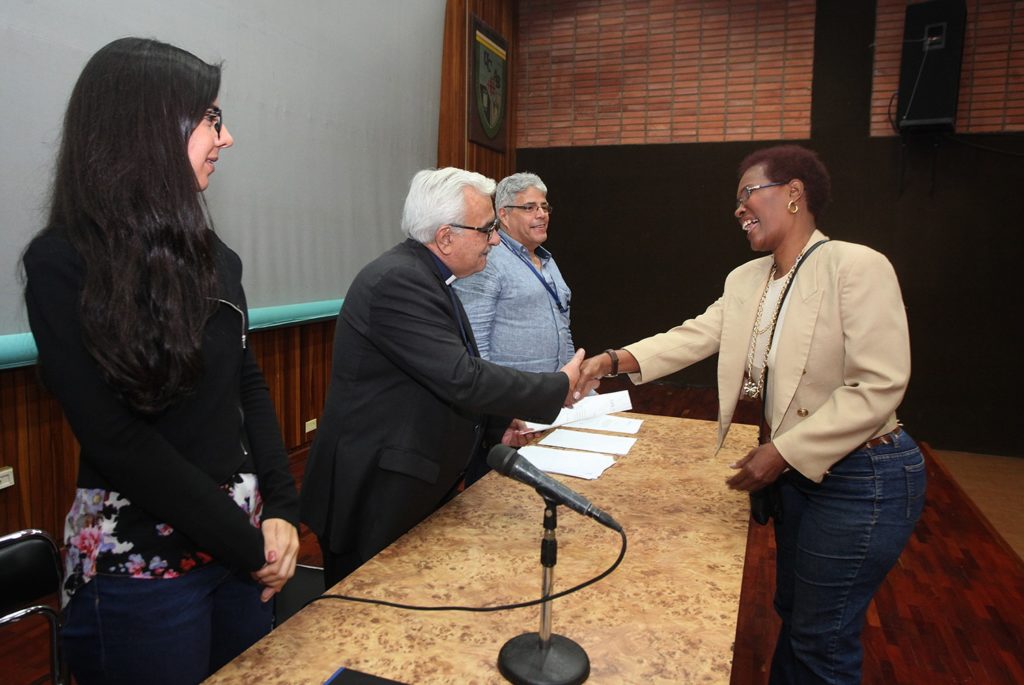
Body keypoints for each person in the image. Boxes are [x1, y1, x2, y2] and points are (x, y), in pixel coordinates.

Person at [575, 145, 925, 684]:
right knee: (797, 616)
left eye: (748, 193)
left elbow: (878, 385)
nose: (738, 209)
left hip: (864, 476)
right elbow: (693, 336)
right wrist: (611, 361)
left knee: (822, 639)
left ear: (794, 193)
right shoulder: (747, 279)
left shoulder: (855, 265)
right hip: (798, 477)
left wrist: (782, 451)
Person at [22, 38, 299, 685]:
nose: (226, 138)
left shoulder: (216, 257)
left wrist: (283, 508)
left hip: (242, 548)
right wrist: (249, 543)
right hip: (141, 569)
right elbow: (117, 442)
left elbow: (247, 383)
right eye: (211, 118)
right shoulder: (62, 263)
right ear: (148, 126)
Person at [300, 167, 584, 588]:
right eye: (487, 229)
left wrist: (495, 424)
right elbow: (461, 377)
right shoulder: (399, 281)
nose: (494, 240)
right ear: (446, 237)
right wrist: (557, 387)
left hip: (407, 480)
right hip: (374, 491)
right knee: (369, 604)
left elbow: (444, 373)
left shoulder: (430, 276)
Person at [453, 172, 574, 373]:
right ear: (504, 215)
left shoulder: (548, 261)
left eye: (544, 207)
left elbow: (563, 328)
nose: (541, 214)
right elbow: (474, 342)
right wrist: (487, 388)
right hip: (512, 390)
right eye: (529, 208)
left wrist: (574, 379)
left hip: (557, 386)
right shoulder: (486, 260)